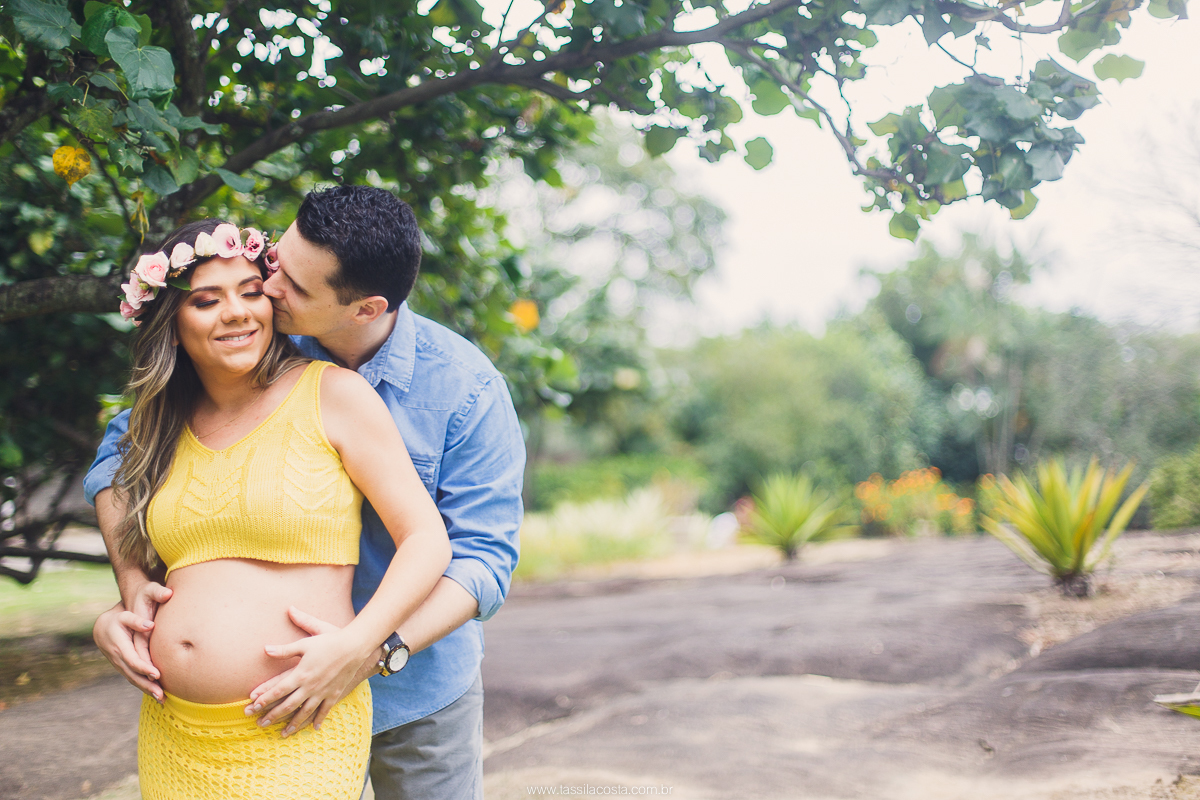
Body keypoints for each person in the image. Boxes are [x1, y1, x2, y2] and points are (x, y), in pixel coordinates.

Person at [87, 186, 525, 799]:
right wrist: (134, 595)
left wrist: (368, 648)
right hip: (225, 718)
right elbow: (119, 458)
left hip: (413, 677)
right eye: (275, 264)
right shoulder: (254, 344)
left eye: (288, 285)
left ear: (364, 309)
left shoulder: (465, 390)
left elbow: (482, 559)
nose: (264, 290)